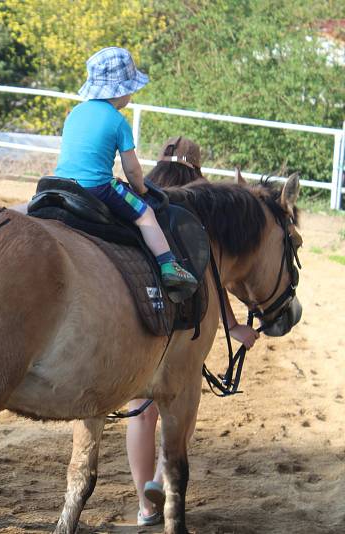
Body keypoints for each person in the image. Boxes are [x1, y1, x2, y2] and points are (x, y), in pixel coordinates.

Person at [126, 136, 260, 527]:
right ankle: (158, 482)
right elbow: (212, 274)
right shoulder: (199, 207)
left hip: (138, 319)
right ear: (198, 168)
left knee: (140, 412)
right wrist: (233, 325)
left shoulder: (143, 193)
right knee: (180, 410)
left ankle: (144, 506)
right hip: (183, 326)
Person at [54, 47, 198, 296]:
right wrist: (141, 190)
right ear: (121, 91)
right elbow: (132, 169)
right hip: (97, 187)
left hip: (60, 182)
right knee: (146, 215)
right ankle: (168, 265)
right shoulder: (117, 121)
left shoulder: (75, 113)